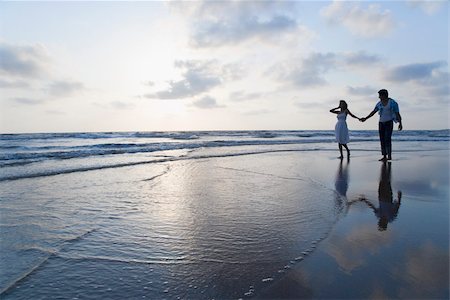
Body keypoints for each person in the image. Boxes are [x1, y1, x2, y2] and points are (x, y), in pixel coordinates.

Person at [360, 89, 403, 161]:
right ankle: (384, 156)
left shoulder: (393, 103)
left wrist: (400, 123)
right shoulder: (379, 103)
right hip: (381, 123)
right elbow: (373, 112)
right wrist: (366, 118)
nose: (379, 97)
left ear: (384, 95)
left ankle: (389, 156)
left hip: (389, 123)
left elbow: (397, 113)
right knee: (382, 140)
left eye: (380, 95)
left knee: (387, 139)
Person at [358, 162, 402, 231]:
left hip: (381, 196)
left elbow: (372, 207)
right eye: (380, 222)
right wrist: (399, 198)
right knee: (387, 181)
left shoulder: (379, 215)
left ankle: (385, 166)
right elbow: (397, 208)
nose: (380, 221)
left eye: (379, 222)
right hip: (388, 197)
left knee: (382, 181)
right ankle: (387, 166)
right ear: (385, 223)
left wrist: (365, 200)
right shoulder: (390, 217)